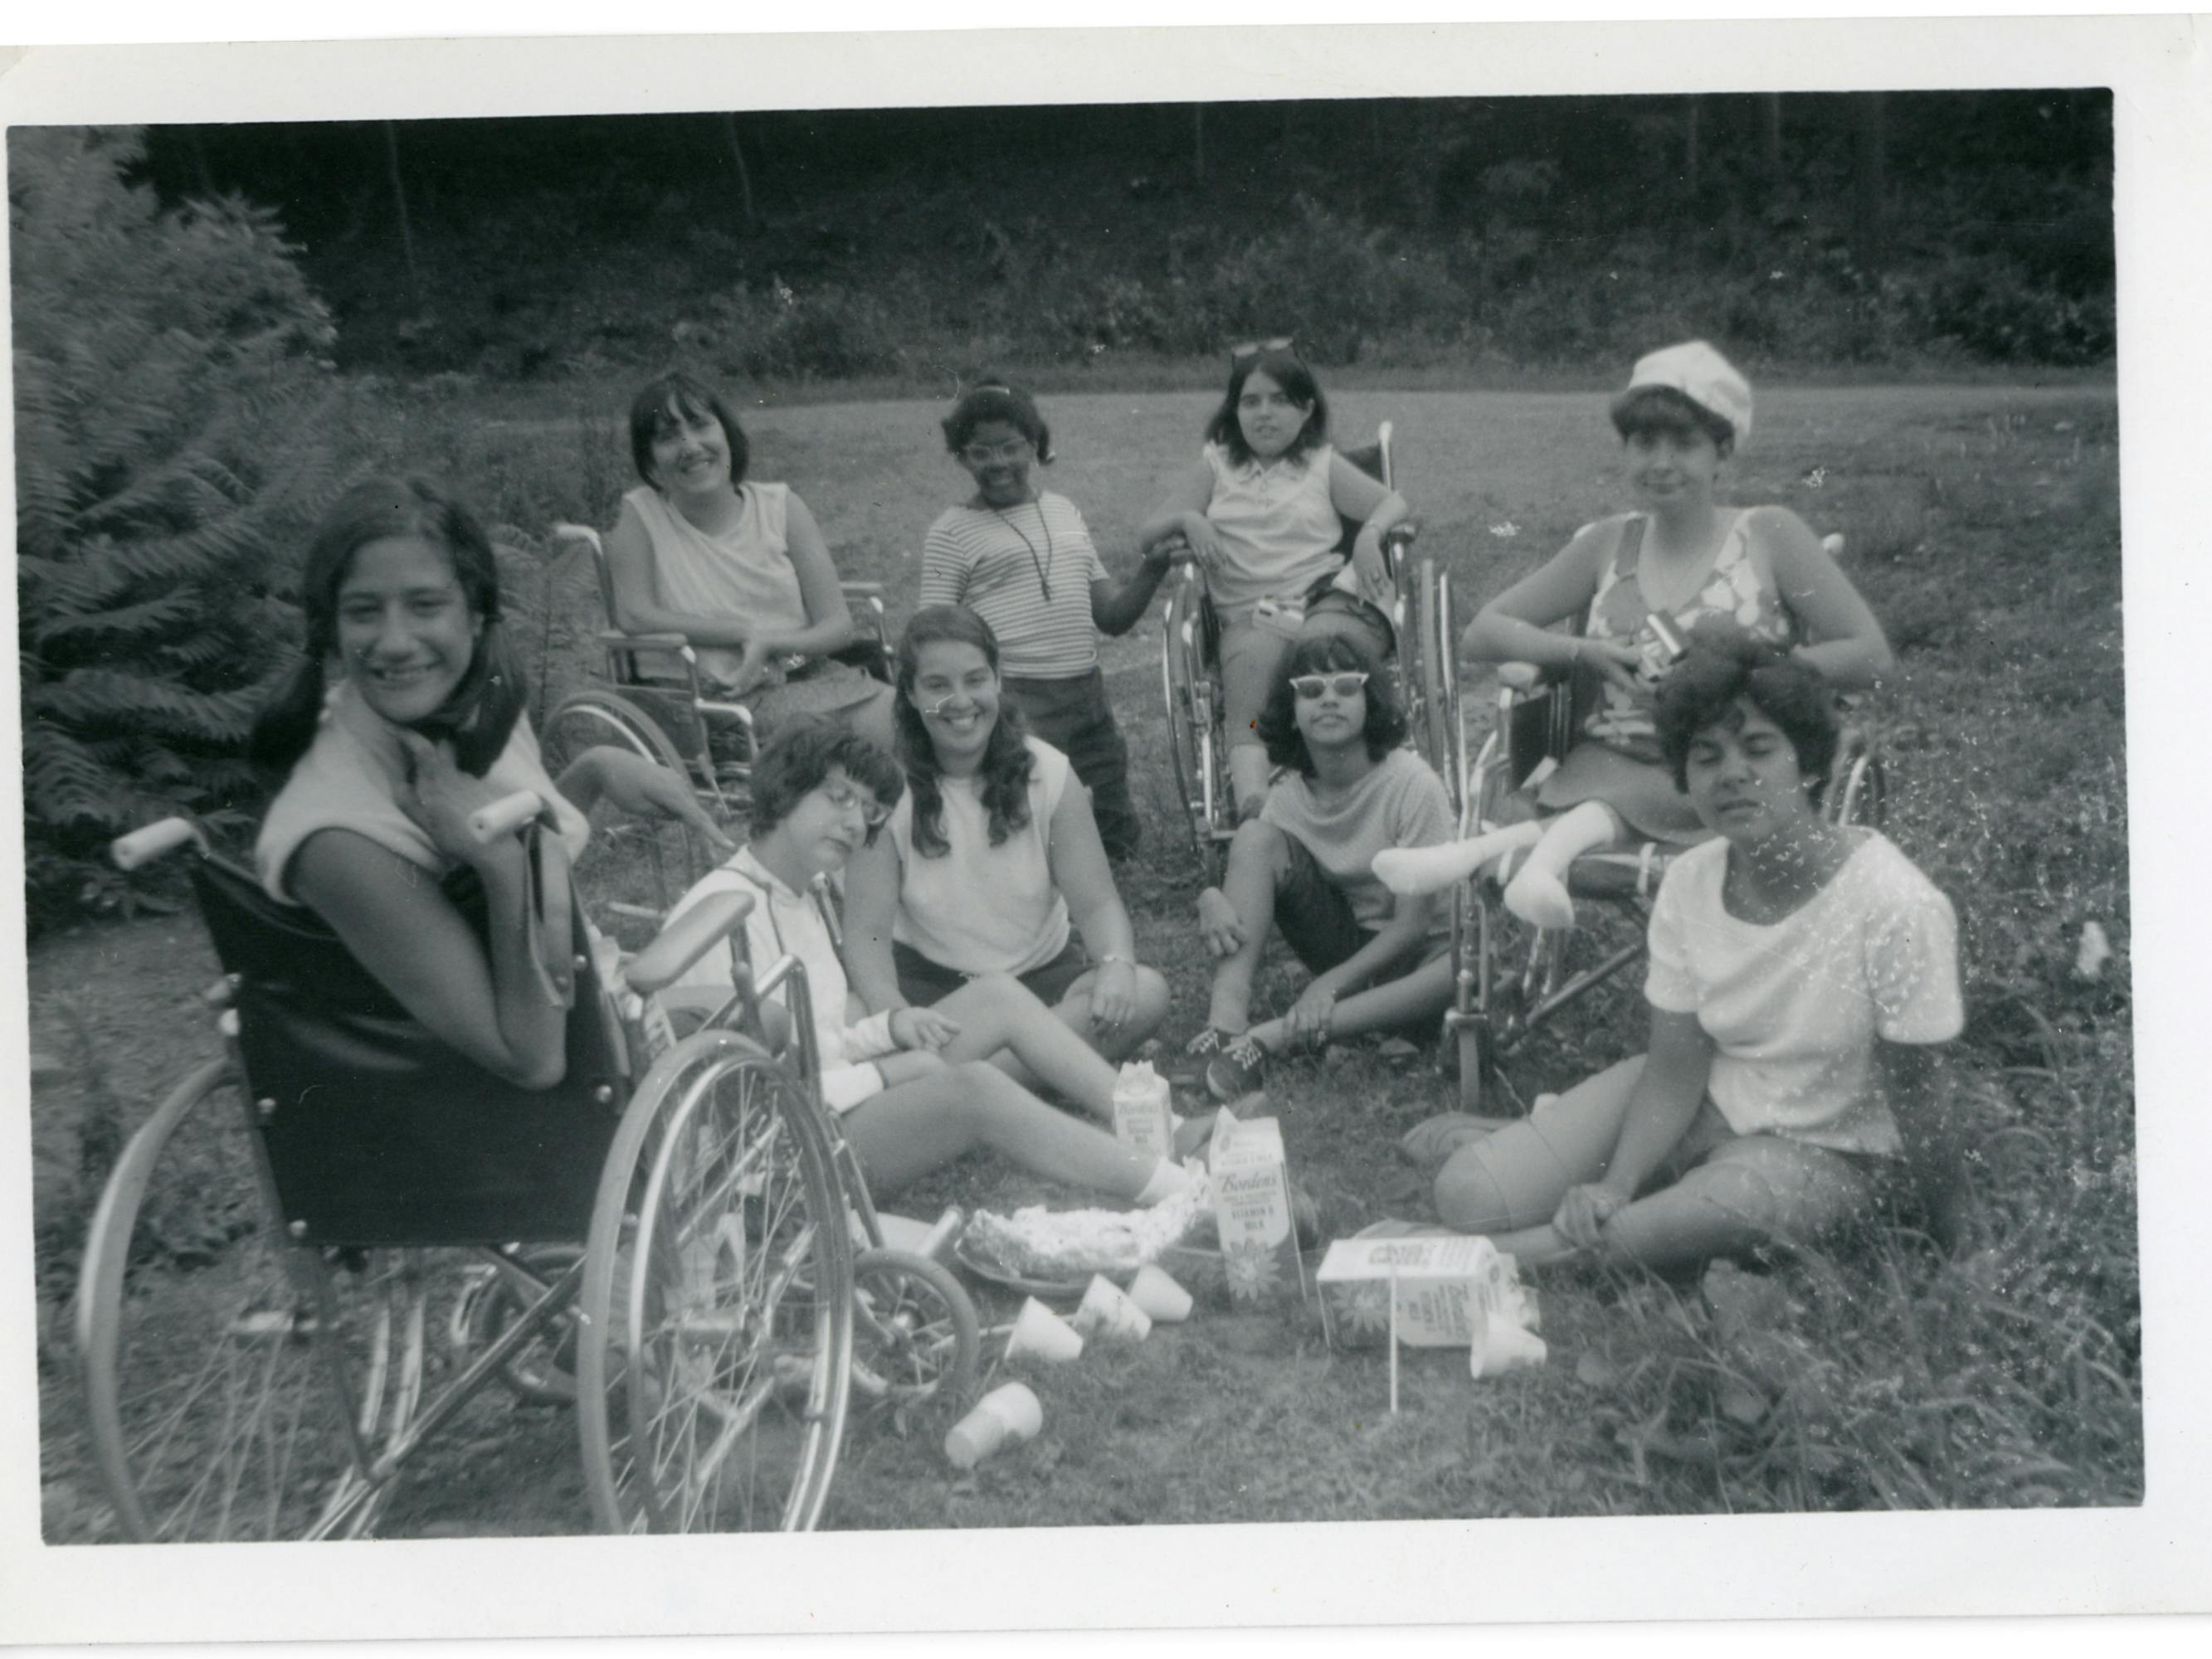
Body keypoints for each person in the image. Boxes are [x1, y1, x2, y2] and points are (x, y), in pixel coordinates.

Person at [1424, 637, 1962, 1271]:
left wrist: (1960, 1238)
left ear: (1809, 763)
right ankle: (1571, 1192)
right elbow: (1676, 1066)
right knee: (1466, 1194)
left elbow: (1921, 1097)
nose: (1732, 773)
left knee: (1714, 1207)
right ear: (1686, 780)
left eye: (1760, 749)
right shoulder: (1691, 880)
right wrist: (1612, 1186)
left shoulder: (1895, 902)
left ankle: (1468, 1265)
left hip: (1826, 1149)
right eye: (1706, 758)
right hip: (1708, 1101)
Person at [1376, 340, 1892, 932]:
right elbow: (1485, 633)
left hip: (1725, 764)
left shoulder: (1770, 534)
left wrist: (1748, 670)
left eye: (1685, 443)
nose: (1661, 462)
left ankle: (1484, 859)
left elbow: (1870, 656)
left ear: (1723, 452)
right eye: (1644, 443)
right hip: (1609, 761)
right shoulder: (1608, 543)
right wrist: (1581, 652)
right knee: (1594, 795)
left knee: (1621, 798)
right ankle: (1504, 863)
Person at [251, 475, 728, 1089]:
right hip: (566, 1086)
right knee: (776, 1012)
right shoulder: (335, 838)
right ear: (333, 630)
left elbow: (524, 843)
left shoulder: (459, 713)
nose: (395, 642)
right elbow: (532, 1059)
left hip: (591, 1004)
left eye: (425, 605)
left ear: (475, 616)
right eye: (364, 611)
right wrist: (497, 864)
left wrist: (593, 772)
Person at [665, 722, 1201, 1201]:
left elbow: (818, 1038)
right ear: (784, 792)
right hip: (776, 1165)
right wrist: (884, 1074)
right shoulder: (724, 916)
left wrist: (891, 1029)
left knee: (995, 996)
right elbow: (746, 1099)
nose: (855, 824)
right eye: (838, 798)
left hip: (827, 1098)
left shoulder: (800, 892)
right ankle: (1176, 1186)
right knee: (976, 1090)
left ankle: (1165, 1128)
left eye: (867, 811)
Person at [843, 605, 1171, 1068]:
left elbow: (1097, 904)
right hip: (933, 991)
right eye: (938, 685)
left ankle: (960, 1078)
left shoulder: (1049, 773)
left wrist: (1116, 966)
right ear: (911, 694)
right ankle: (1039, 1066)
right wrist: (894, 1014)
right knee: (852, 1014)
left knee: (1146, 991)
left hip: (1042, 981)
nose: (960, 701)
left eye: (975, 680)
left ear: (998, 680)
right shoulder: (884, 790)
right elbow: (866, 935)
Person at [1139, 339, 1409, 819]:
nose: (1264, 414)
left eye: (1280, 400)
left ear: (1306, 410)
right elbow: (1147, 533)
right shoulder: (1217, 466)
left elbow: (1394, 504)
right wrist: (1190, 519)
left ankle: (1358, 796)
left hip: (1329, 600)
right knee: (1247, 673)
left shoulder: (1320, 464)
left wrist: (1369, 536)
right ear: (1234, 410)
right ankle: (1253, 811)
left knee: (1322, 654)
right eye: (1250, 401)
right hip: (1252, 614)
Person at [1186, 633, 1457, 1103]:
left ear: (1370, 702)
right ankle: (1225, 1026)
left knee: (1460, 968)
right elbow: (1251, 863)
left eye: (1346, 687)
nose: (1328, 699)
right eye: (1310, 690)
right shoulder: (1290, 795)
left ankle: (1270, 1038)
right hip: (1351, 941)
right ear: (1291, 712)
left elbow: (1412, 927)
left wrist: (1329, 985)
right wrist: (1210, 897)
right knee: (1254, 836)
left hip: (1420, 954)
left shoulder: (1413, 785)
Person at [918, 377, 1179, 862]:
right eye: (980, 453)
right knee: (1024, 817)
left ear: (1036, 445)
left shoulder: (1064, 512)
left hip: (1086, 693)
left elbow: (1113, 617)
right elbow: (931, 636)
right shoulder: (951, 532)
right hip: (1017, 697)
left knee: (1114, 831)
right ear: (961, 457)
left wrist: (1154, 567)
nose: (998, 464)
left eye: (1011, 448)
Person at [601, 370, 897, 750]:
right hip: (719, 702)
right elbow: (634, 614)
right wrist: (743, 634)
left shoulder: (780, 507)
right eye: (667, 437)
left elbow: (837, 627)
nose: (690, 446)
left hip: (808, 677)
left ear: (727, 434)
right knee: (901, 722)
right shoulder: (642, 515)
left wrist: (770, 644)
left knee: (925, 702)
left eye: (699, 425)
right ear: (652, 464)